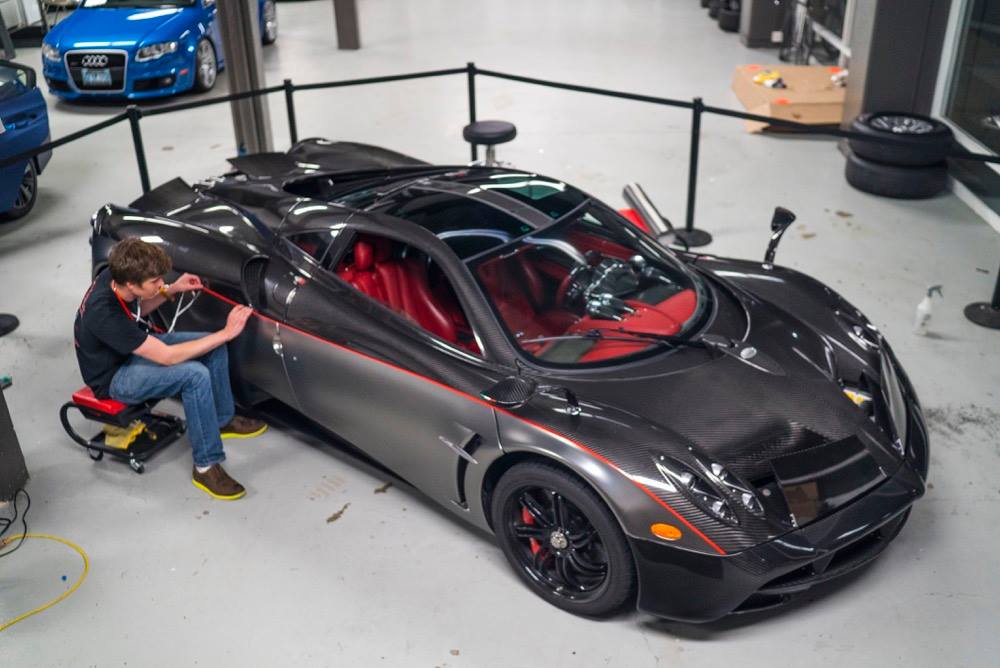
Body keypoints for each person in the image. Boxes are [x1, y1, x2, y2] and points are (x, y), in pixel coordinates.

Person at [73, 238, 267, 500]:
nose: (160, 283)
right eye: (155, 281)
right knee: (195, 375)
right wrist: (227, 332)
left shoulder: (115, 274)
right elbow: (168, 357)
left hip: (130, 350)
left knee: (212, 347)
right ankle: (205, 466)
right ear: (130, 283)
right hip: (114, 377)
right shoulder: (102, 312)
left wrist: (172, 289)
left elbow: (136, 310)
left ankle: (221, 419)